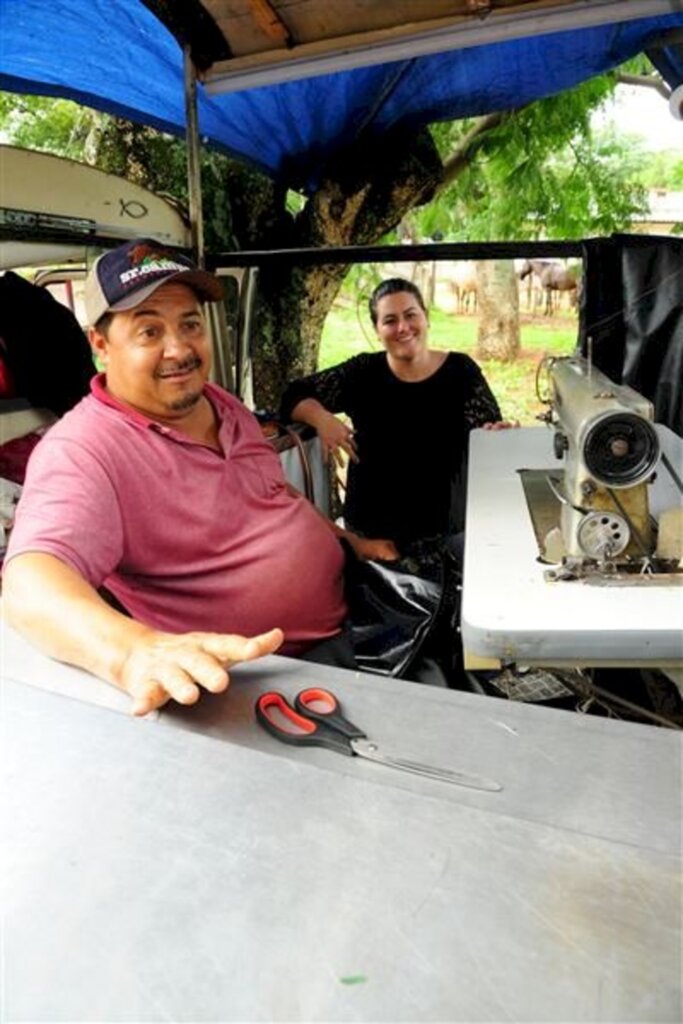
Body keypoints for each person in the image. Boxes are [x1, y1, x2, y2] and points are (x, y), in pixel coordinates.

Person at [1, 239, 379, 717]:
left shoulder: (221, 403)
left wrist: (346, 540)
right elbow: (29, 584)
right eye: (149, 331)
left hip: (354, 618)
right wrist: (134, 652)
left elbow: (271, 493)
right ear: (100, 343)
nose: (178, 349)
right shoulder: (84, 450)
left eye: (190, 325)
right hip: (271, 684)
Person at [280, 277, 515, 569]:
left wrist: (498, 435)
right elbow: (293, 394)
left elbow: (487, 431)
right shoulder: (363, 372)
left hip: (445, 537)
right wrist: (322, 419)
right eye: (390, 320)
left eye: (411, 315)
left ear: (426, 318)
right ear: (377, 330)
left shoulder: (461, 372)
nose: (403, 327)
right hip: (372, 540)